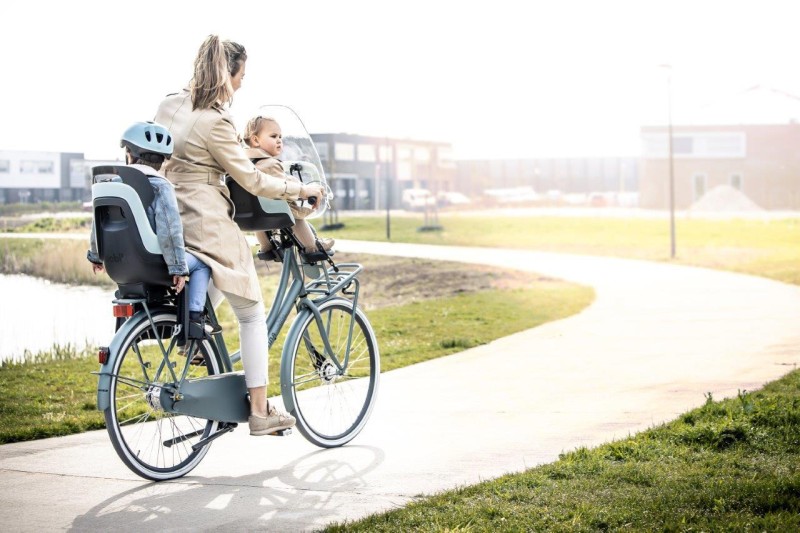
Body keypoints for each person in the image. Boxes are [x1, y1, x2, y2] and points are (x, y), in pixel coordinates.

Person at [154, 35, 323, 436]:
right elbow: (249, 178)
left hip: (168, 217)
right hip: (204, 218)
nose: (243, 83)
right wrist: (301, 191)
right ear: (225, 74)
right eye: (241, 75)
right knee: (251, 313)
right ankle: (261, 411)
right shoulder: (217, 122)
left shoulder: (168, 105)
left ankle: (194, 341)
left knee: (213, 274)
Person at [87, 122, 214, 342]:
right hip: (153, 263)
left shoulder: (112, 185)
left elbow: (97, 225)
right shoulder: (160, 185)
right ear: (162, 160)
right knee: (202, 263)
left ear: (129, 154)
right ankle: (194, 321)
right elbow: (169, 229)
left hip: (119, 266)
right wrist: (177, 268)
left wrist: (96, 256)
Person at [242, 115, 334, 256]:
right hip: (275, 211)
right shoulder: (270, 164)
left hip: (253, 215)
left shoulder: (246, 164)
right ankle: (312, 246)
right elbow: (283, 185)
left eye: (280, 136)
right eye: (273, 136)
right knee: (293, 215)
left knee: (262, 218)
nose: (279, 140)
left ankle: (266, 245)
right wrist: (304, 190)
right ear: (255, 140)